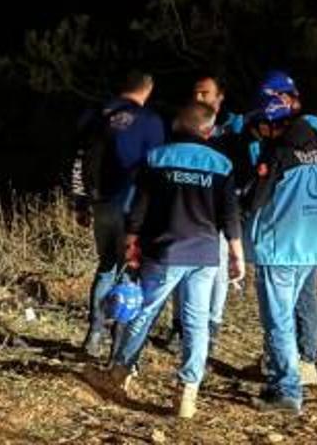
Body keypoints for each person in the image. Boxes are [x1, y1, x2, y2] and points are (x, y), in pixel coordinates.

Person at [106, 102, 244, 420]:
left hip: (165, 251)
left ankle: (120, 372)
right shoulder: (222, 164)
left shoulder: (157, 157)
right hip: (206, 254)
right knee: (197, 322)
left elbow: (139, 206)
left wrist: (130, 241)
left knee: (144, 312)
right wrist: (237, 255)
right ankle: (187, 393)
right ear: (208, 130)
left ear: (177, 125)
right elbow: (229, 214)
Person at [247, 71, 317, 408]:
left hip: (280, 248)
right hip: (312, 247)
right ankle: (288, 375)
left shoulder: (277, 154)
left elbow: (255, 201)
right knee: (291, 312)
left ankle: (288, 390)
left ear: (269, 123)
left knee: (278, 321)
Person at [75, 70, 165, 360]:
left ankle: (95, 333)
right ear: (147, 90)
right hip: (132, 206)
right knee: (130, 272)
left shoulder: (97, 114)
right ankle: (119, 343)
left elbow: (79, 157)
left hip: (100, 202)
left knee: (106, 266)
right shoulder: (150, 121)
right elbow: (156, 167)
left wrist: (81, 202)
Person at [166, 73, 246, 349]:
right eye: (196, 93)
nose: (198, 97)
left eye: (205, 93)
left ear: (219, 97)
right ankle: (179, 324)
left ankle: (212, 324)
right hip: (185, 209)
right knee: (178, 266)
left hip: (216, 212)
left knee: (218, 270)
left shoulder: (232, 132)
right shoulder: (183, 125)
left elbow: (241, 170)